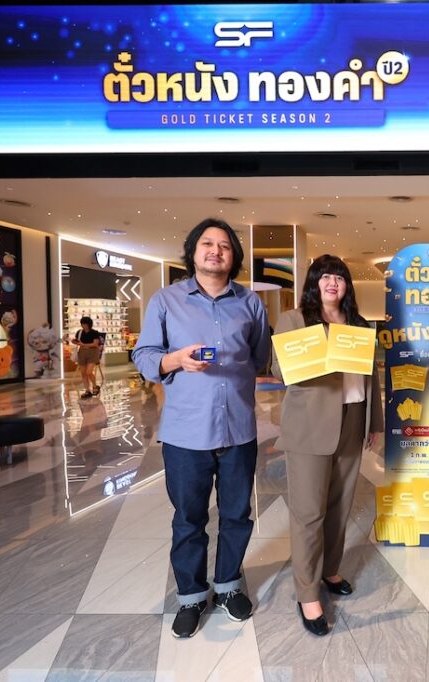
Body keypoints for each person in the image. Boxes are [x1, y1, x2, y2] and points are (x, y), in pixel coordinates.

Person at [132, 218, 270, 639]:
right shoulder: (166, 300)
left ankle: (228, 586)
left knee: (237, 515)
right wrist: (175, 360)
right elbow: (144, 355)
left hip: (239, 430)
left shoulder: (250, 303)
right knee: (189, 519)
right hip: (185, 434)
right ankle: (191, 595)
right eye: (207, 243)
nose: (215, 251)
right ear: (193, 252)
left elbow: (258, 357)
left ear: (234, 256)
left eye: (224, 245)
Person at [273, 254, 384, 637]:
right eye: (325, 276)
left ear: (347, 285)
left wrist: (375, 423)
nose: (332, 282)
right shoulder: (295, 320)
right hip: (310, 425)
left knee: (340, 505)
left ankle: (330, 570)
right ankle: (307, 592)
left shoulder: (358, 323)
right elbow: (280, 371)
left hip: (352, 419)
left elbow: (370, 378)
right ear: (314, 283)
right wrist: (315, 355)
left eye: (339, 276)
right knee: (308, 512)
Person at [72, 316, 103, 399]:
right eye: (82, 324)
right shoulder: (79, 332)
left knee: (89, 372)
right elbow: (77, 341)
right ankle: (87, 390)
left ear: (89, 324)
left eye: (85, 324)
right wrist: (74, 342)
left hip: (92, 353)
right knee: (83, 372)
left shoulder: (94, 332)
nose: (83, 325)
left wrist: (84, 344)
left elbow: (95, 344)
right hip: (82, 352)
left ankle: (95, 386)